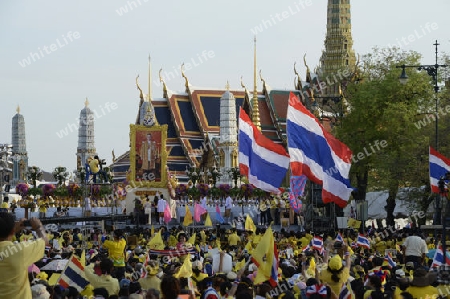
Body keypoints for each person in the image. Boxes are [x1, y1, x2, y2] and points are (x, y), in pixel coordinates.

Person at [0, 214, 48, 299]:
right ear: (12, 231)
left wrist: (13, 230)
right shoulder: (20, 251)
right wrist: (38, 226)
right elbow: (44, 241)